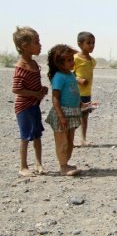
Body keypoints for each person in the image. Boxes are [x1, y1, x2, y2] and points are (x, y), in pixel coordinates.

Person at [11, 27, 49, 177]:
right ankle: (23, 166)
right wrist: (35, 94)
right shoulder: (21, 67)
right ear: (25, 46)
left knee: (37, 135)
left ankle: (38, 163)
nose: (40, 45)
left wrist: (41, 90)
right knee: (25, 137)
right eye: (37, 42)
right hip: (24, 107)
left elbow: (34, 85)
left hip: (34, 106)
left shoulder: (33, 64)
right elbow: (17, 89)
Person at [45, 44, 82, 176]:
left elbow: (74, 92)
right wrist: (61, 116)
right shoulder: (59, 77)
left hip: (72, 112)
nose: (72, 62)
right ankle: (63, 166)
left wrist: (82, 104)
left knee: (70, 140)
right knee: (62, 142)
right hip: (62, 114)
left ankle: (66, 163)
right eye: (69, 60)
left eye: (72, 59)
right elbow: (55, 99)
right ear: (59, 63)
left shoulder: (71, 75)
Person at [73, 31, 96, 147]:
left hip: (86, 94)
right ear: (80, 44)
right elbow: (69, 73)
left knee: (85, 116)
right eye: (88, 43)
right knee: (73, 116)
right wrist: (79, 80)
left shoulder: (92, 61)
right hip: (75, 93)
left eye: (93, 43)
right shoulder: (75, 58)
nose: (91, 45)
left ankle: (83, 139)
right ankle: (70, 139)